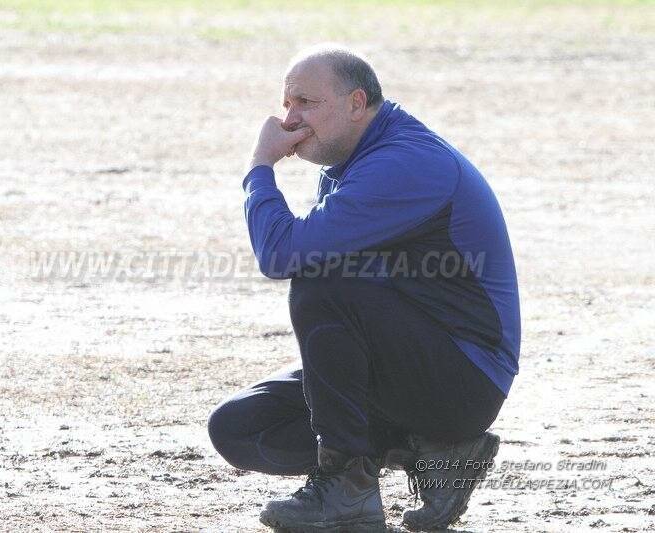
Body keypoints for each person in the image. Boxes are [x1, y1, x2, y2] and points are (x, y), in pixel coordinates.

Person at [207, 45, 521, 532]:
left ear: (357, 103)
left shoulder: (404, 162)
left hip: (464, 381)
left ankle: (346, 487)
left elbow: (282, 255)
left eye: (306, 103)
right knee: (239, 425)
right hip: (406, 371)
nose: (289, 119)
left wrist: (259, 167)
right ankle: (439, 454)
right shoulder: (353, 162)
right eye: (286, 103)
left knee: (321, 281)